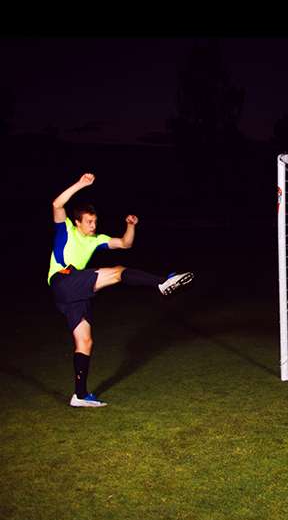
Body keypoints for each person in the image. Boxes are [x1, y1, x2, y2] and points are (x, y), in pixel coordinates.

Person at [48, 173, 194, 408]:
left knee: (85, 342)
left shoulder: (97, 240)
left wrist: (130, 226)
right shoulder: (66, 230)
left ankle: (80, 395)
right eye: (89, 222)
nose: (94, 226)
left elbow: (126, 244)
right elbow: (57, 204)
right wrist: (81, 184)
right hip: (64, 279)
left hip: (73, 294)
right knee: (117, 272)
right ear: (77, 222)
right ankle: (161, 282)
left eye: (95, 222)